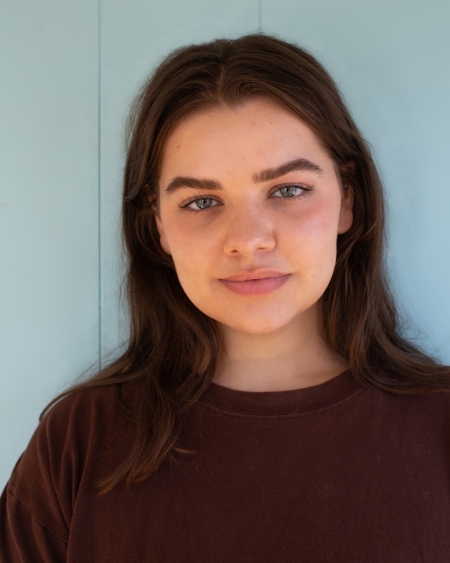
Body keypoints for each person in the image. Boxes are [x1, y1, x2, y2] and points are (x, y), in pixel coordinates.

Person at [1, 33, 450, 562]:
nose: (248, 239)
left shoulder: (440, 428)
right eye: (202, 200)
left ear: (347, 200)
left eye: (288, 190)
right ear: (158, 226)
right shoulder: (77, 442)